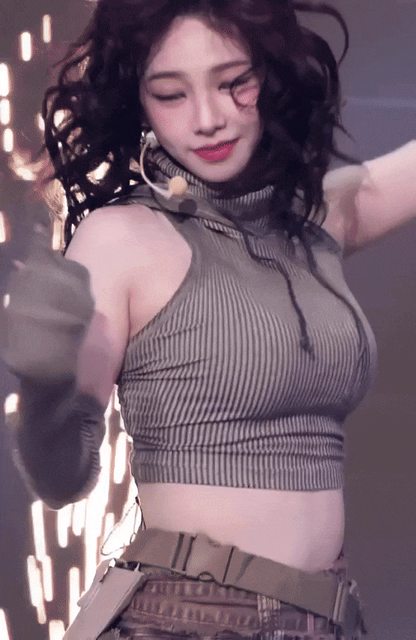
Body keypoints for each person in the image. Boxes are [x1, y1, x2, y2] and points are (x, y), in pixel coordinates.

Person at [2, 1, 416, 638]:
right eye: (170, 93)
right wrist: (44, 390)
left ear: (271, 75)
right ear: (139, 102)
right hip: (183, 620)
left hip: (331, 619)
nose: (207, 118)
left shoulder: (316, 220)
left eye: (233, 82)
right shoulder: (121, 238)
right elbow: (62, 480)